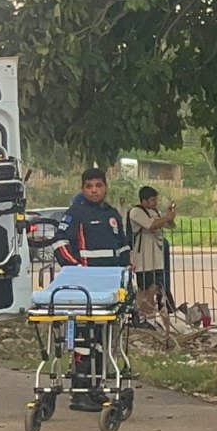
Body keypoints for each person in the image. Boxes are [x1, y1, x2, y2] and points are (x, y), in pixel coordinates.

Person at [51, 169, 132, 412]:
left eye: (98, 185)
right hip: (83, 288)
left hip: (108, 290)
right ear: (83, 188)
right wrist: (75, 269)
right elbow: (59, 243)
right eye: (89, 186)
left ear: (106, 187)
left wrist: (125, 272)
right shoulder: (76, 212)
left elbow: (123, 247)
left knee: (102, 341)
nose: (94, 190)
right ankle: (80, 392)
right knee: (83, 340)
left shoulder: (113, 215)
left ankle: (96, 389)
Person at [127, 185, 177, 320]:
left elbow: (170, 226)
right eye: (152, 200)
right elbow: (150, 225)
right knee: (144, 289)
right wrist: (166, 218)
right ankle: (140, 316)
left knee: (154, 288)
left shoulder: (154, 212)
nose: (155, 203)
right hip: (144, 258)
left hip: (157, 258)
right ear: (143, 201)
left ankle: (149, 316)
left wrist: (169, 217)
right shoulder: (136, 212)